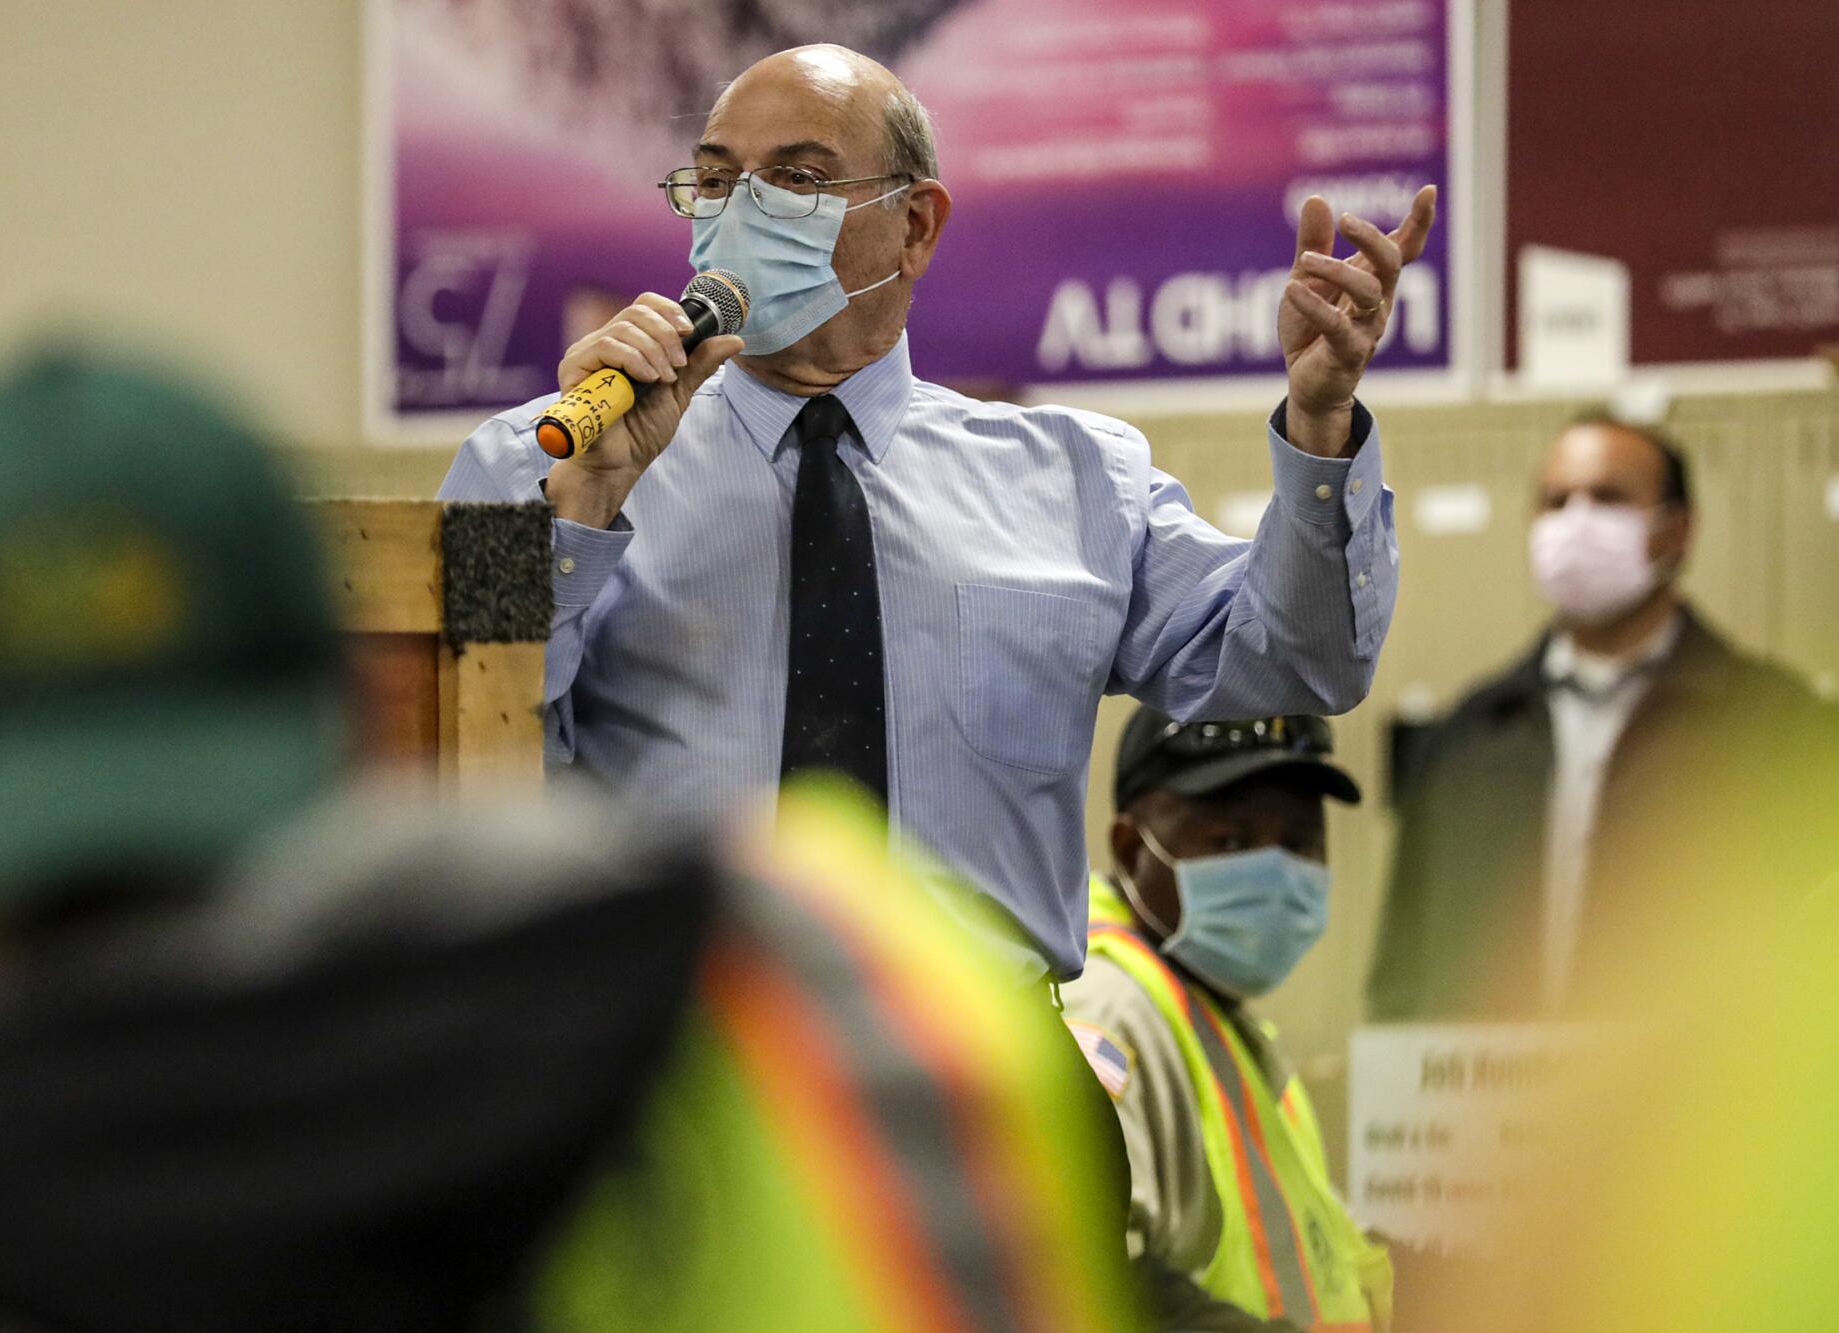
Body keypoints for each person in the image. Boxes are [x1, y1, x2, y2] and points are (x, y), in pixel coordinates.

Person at [0, 349, 1137, 1331]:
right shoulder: (845, 1005)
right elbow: (502, 645)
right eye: (720, 171)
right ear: (362, 720)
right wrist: (572, 520)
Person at [437, 43, 1435, 982]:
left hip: (984, 1082)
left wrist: (1317, 422)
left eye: (793, 178)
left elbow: (1303, 659)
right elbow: (451, 766)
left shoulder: (1076, 478)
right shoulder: (524, 457)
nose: (738, 212)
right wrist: (577, 517)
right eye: (714, 178)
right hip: (678, 1077)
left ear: (914, 225)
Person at [1367, 414, 1837, 1020]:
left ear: (1677, 531)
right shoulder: (1468, 739)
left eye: (1607, 497)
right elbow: (1405, 974)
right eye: (1556, 501)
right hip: (1494, 1105)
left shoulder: (1780, 730)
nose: (1575, 523)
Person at [1062, 709, 1391, 1333]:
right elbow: (1095, 1279)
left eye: (1299, 843)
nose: (1278, 870)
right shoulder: (1105, 1009)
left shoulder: (1224, 1024)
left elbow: (1321, 1248)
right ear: (1132, 850)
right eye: (1232, 842)